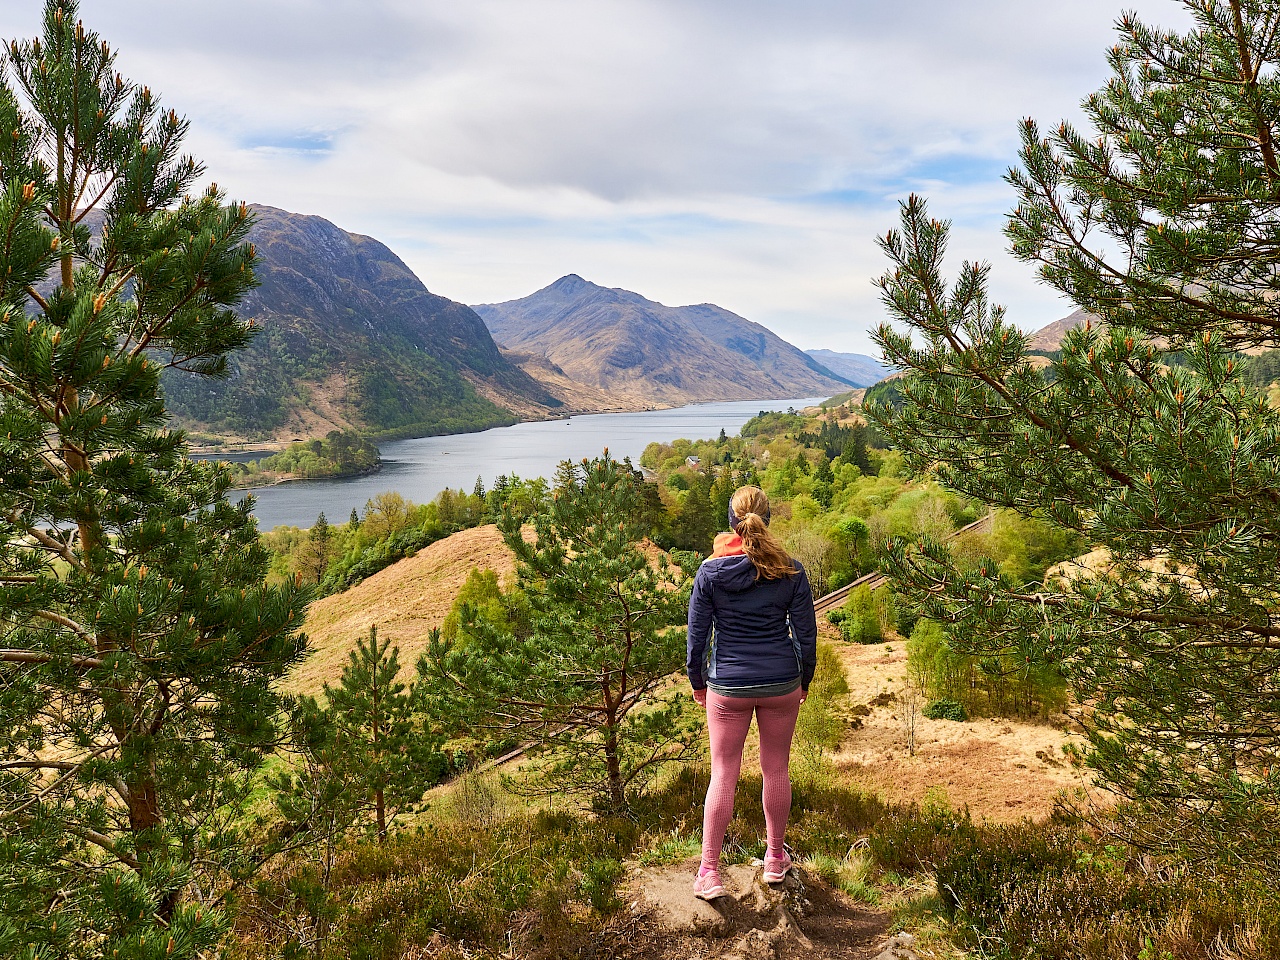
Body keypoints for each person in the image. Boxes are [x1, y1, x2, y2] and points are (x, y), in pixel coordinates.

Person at [686, 485, 817, 901]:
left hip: (729, 684)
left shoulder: (709, 573)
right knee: (776, 769)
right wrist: (803, 679)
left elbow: (697, 637)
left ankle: (709, 872)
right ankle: (775, 859)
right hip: (781, 681)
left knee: (723, 772)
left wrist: (698, 682)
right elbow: (806, 635)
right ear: (768, 518)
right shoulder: (791, 570)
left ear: (731, 521)